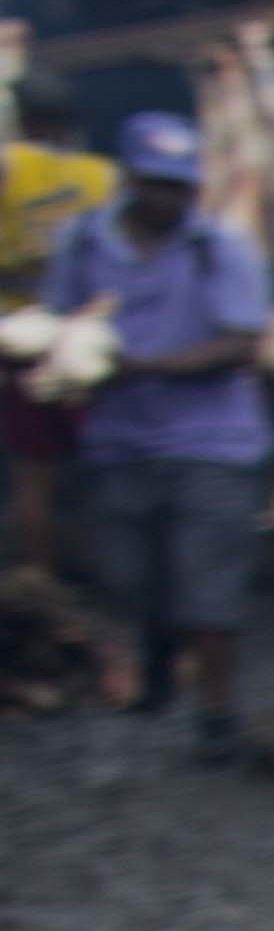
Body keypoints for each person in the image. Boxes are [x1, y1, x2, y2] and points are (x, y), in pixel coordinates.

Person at [48, 114, 273, 765]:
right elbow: (65, 320)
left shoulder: (221, 248)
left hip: (214, 441)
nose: (169, 200)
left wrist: (139, 368)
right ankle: (159, 649)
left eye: (181, 187)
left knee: (211, 585)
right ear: (129, 180)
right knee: (128, 577)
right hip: (118, 443)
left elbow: (241, 342)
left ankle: (216, 714)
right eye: (156, 186)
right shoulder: (83, 243)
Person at [4, 88, 118, 584]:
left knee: (36, 473)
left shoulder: (10, 167)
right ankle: (116, 577)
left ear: (25, 118)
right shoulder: (104, 175)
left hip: (22, 339)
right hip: (89, 337)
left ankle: (42, 581)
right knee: (105, 467)